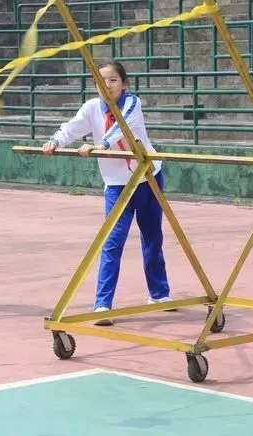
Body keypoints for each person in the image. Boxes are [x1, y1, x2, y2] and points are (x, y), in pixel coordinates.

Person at [42, 61, 171, 326]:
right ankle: (102, 304)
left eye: (113, 80)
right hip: (117, 184)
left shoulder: (132, 103)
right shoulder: (91, 108)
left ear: (123, 83)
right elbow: (72, 127)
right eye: (102, 80)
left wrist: (100, 145)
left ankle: (159, 293)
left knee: (152, 236)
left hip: (147, 177)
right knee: (112, 241)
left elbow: (121, 127)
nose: (108, 85)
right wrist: (55, 141)